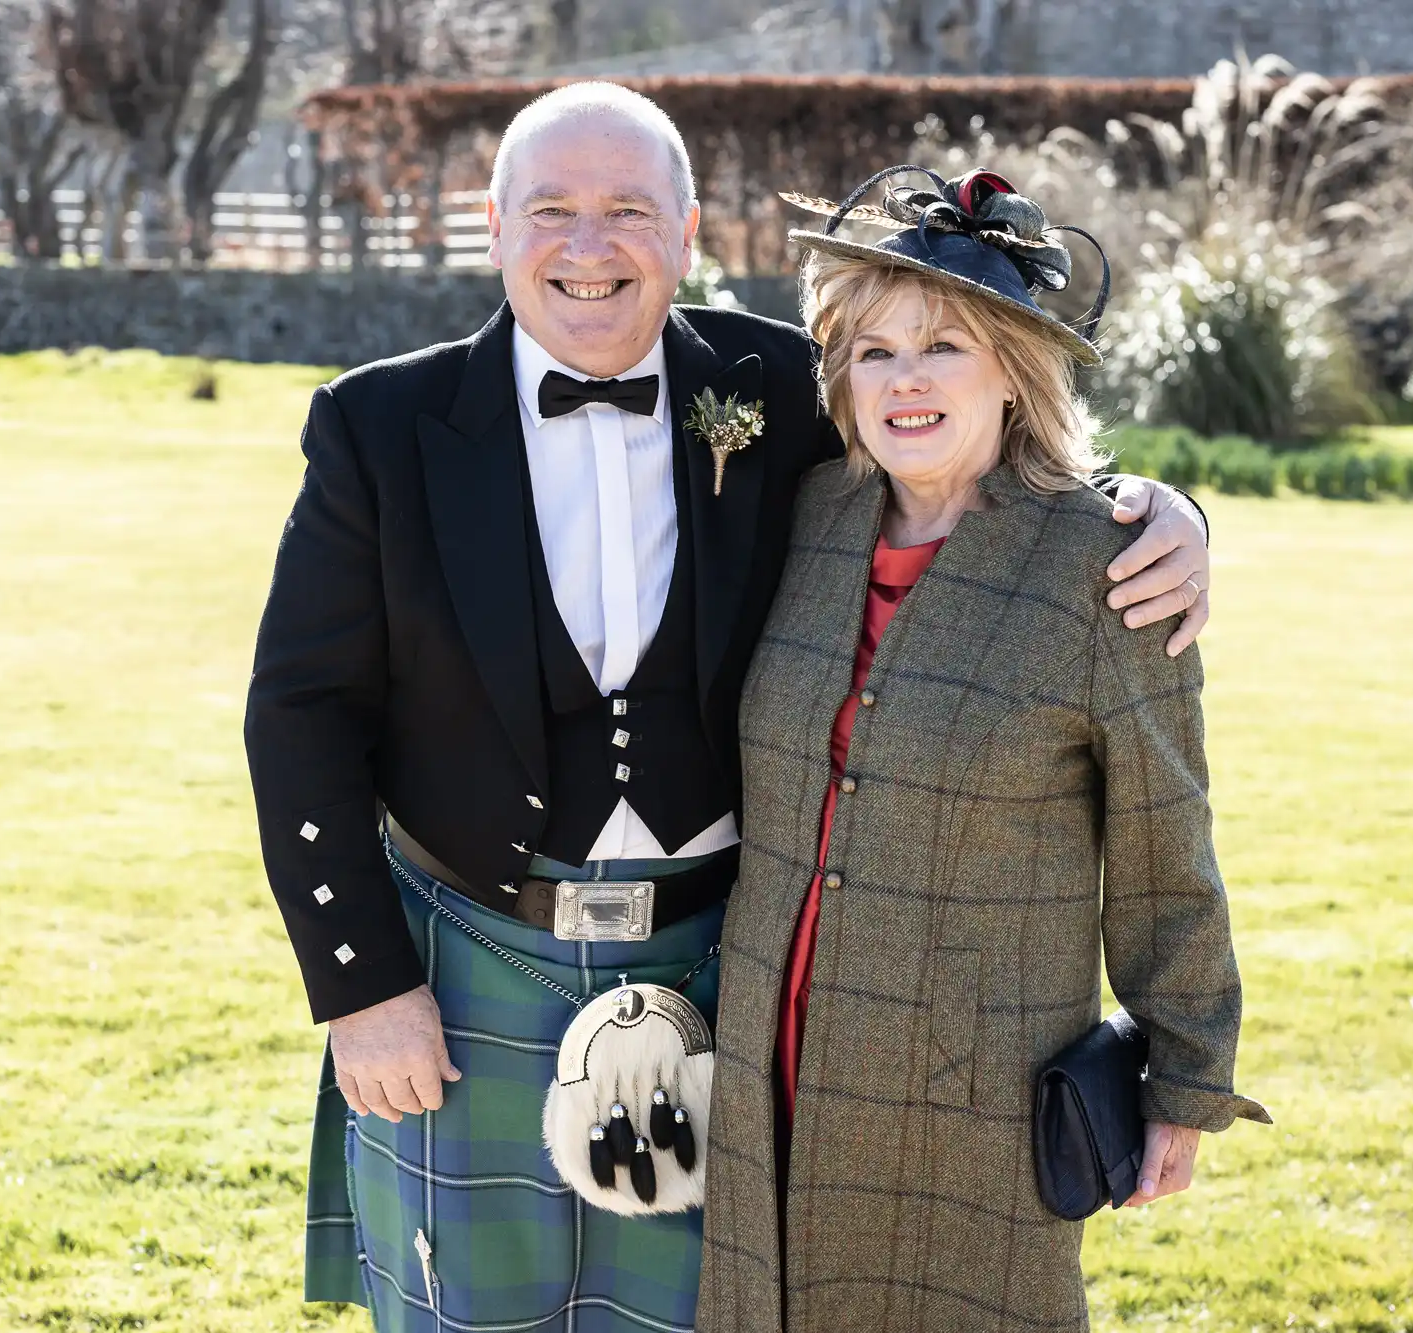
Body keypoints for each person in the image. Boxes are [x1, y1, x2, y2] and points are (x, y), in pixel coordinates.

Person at [243, 87, 1212, 1332]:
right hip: (461, 958)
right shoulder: (377, 425)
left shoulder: (776, 387)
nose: (588, 249)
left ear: (688, 227)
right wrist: (360, 984)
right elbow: (299, 716)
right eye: (551, 211)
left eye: (628, 212)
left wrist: (1152, 511)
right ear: (491, 226)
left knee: (702, 1313)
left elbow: (955, 432)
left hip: (719, 965)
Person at [696, 166, 1270, 1333]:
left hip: (970, 1087)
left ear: (1011, 368)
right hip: (763, 1069)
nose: (905, 380)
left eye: (944, 345)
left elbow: (1167, 849)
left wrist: (1185, 1076)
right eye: (872, 352)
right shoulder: (798, 519)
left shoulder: (1101, 567)